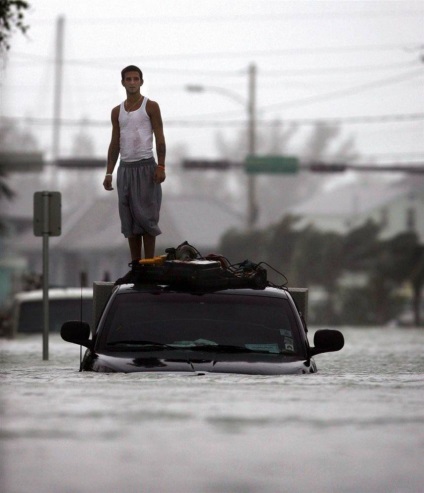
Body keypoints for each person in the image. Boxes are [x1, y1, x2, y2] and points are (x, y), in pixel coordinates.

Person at [103, 65, 166, 273]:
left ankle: (150, 266)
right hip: (125, 169)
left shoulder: (151, 106)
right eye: (128, 79)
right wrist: (109, 172)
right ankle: (137, 267)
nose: (132, 82)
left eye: (135, 79)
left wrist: (161, 165)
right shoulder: (117, 112)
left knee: (146, 217)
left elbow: (159, 137)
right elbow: (115, 143)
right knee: (129, 219)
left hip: (146, 166)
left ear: (141, 81)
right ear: (122, 82)